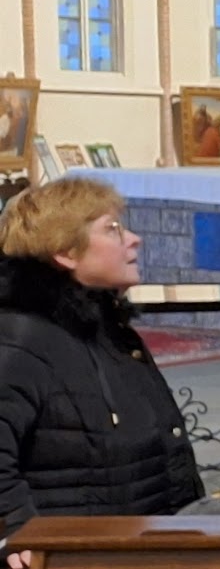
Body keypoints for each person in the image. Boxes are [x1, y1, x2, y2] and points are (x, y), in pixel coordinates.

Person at [0, 178, 202, 538]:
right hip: (73, 558)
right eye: (112, 229)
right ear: (66, 252)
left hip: (136, 547)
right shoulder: (21, 338)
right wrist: (20, 531)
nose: (134, 239)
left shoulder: (107, 330)